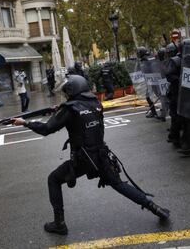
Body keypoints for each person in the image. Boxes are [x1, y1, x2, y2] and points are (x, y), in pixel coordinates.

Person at [12, 75, 170, 235]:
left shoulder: (70, 109)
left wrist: (25, 123)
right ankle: (156, 208)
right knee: (120, 185)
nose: (66, 96)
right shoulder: (96, 103)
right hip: (101, 155)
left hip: (82, 159)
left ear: (72, 91)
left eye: (67, 93)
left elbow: (47, 129)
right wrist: (61, 109)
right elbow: (81, 117)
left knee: (53, 179)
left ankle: (59, 223)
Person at [137, 46, 158, 119]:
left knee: (148, 97)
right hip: (157, 79)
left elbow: (146, 70)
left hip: (152, 81)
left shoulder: (144, 60)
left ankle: (154, 112)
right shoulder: (152, 56)